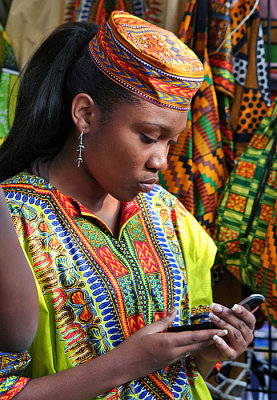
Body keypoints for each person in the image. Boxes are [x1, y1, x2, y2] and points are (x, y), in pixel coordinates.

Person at [0, 11, 256, 400]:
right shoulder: (13, 222)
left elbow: (186, 374)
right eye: (149, 136)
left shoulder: (168, 215)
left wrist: (207, 350)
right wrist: (128, 362)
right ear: (85, 114)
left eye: (170, 143)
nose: (161, 161)